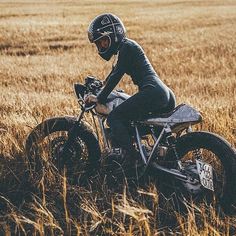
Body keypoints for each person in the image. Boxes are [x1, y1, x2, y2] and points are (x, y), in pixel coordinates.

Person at [85, 13, 176, 164]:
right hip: (161, 93)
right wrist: (100, 84)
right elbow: (113, 73)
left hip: (153, 92)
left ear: (114, 34)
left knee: (114, 118)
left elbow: (116, 76)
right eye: (99, 43)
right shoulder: (126, 48)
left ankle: (132, 160)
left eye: (103, 41)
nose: (101, 46)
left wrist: (99, 97)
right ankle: (161, 160)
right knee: (139, 125)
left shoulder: (127, 47)